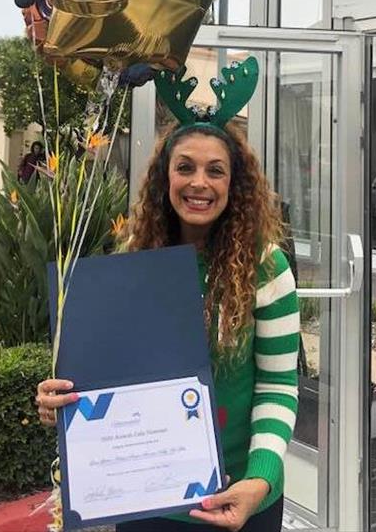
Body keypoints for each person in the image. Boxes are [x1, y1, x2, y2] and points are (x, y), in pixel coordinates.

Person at [36, 60, 300, 532]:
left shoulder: (266, 269)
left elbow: (278, 386)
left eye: (215, 171)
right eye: (186, 168)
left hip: (243, 498)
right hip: (149, 501)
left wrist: (260, 479)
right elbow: (107, 381)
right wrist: (61, 403)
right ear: (165, 179)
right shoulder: (131, 266)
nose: (199, 182)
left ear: (234, 185)